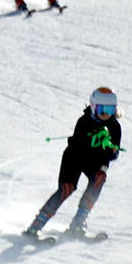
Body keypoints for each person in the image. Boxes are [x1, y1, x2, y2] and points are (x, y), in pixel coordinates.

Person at [23, 87, 122, 239]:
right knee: (66, 189)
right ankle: (36, 225)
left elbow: (113, 154)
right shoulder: (84, 121)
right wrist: (94, 139)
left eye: (110, 110)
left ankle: (78, 223)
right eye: (102, 109)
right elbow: (79, 146)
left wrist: (110, 148)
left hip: (95, 162)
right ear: (94, 106)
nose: (105, 114)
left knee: (99, 178)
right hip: (74, 159)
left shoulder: (114, 127)